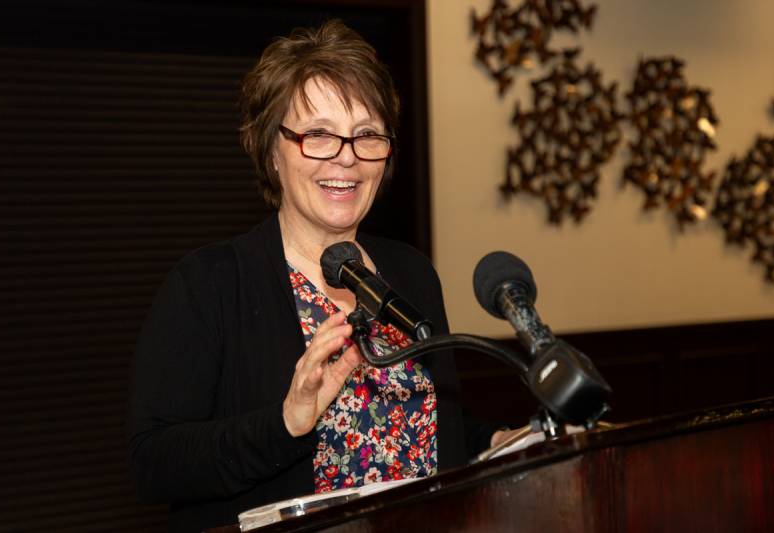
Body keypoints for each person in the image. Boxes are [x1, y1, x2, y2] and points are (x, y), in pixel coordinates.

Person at [128, 20, 506, 532]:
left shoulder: (411, 273)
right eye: (319, 134)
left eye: (367, 134)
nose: (347, 157)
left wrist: (497, 442)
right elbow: (154, 464)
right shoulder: (209, 285)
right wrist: (286, 423)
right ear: (271, 150)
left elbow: (423, 423)